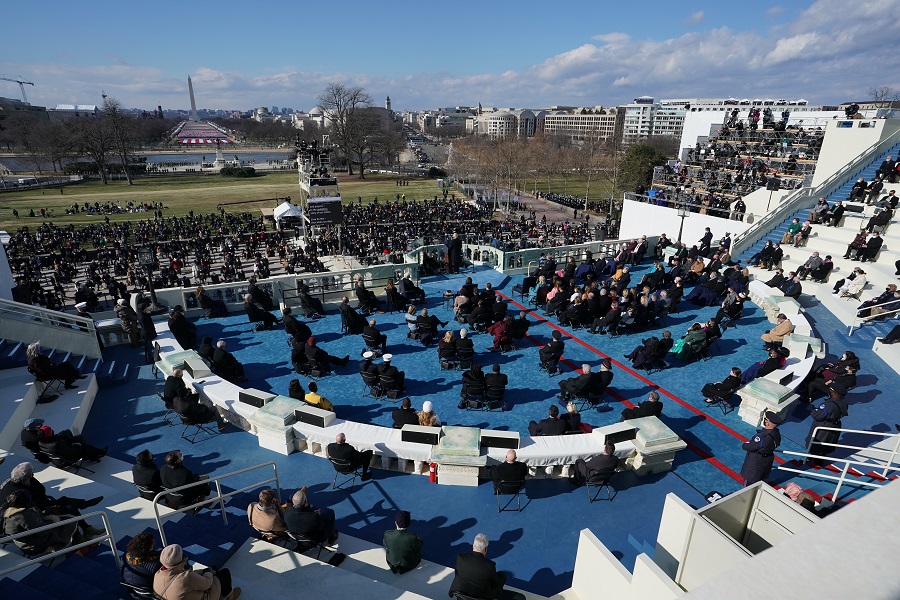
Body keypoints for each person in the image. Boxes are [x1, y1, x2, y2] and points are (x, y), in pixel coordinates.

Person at [2, 489, 80, 557]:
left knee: (65, 515)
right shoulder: (24, 516)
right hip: (34, 545)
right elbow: (42, 531)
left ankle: (77, 541)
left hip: (29, 540)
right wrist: (52, 520)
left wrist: (50, 512)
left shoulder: (10, 511)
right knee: (69, 523)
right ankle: (65, 546)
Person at [153, 543, 240, 600]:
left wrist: (203, 571)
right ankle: (230, 597)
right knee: (224, 573)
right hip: (205, 596)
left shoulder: (157, 575)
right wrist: (209, 572)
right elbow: (207, 583)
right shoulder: (186, 578)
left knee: (212, 569)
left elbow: (181, 576)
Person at [449, 533, 522, 600]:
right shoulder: (489, 566)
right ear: (486, 549)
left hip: (462, 595)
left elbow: (457, 574)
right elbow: (495, 584)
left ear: (473, 546)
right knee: (502, 575)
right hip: (482, 596)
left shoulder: (461, 557)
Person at [806, 388, 849, 466]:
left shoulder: (828, 404)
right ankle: (818, 461)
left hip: (824, 426)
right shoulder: (844, 402)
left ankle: (813, 463)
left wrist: (813, 410)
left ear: (836, 394)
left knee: (817, 443)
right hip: (835, 425)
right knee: (828, 443)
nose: (830, 392)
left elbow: (818, 416)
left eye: (832, 391)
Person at [741, 411, 782, 486]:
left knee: (749, 483)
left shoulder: (762, 437)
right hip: (767, 459)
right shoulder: (776, 434)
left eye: (765, 419)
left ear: (767, 422)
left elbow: (751, 447)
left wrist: (745, 445)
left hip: (756, 462)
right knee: (761, 480)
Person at [383, 510, 423, 574]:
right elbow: (418, 548)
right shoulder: (413, 537)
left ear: (395, 522)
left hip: (392, 561)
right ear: (408, 524)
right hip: (409, 564)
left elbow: (385, 544)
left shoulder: (387, 534)